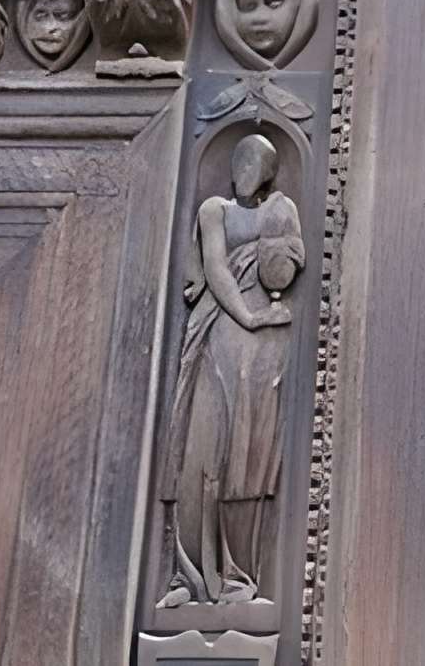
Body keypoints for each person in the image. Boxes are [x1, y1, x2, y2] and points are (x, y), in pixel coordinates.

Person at [160, 133, 305, 607]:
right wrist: (249, 315)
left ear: (266, 174)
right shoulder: (213, 210)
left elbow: (285, 262)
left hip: (262, 349)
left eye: (258, 166)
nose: (246, 171)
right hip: (221, 329)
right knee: (206, 445)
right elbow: (217, 271)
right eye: (242, 161)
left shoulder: (279, 207)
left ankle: (240, 573)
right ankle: (194, 576)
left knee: (249, 454)